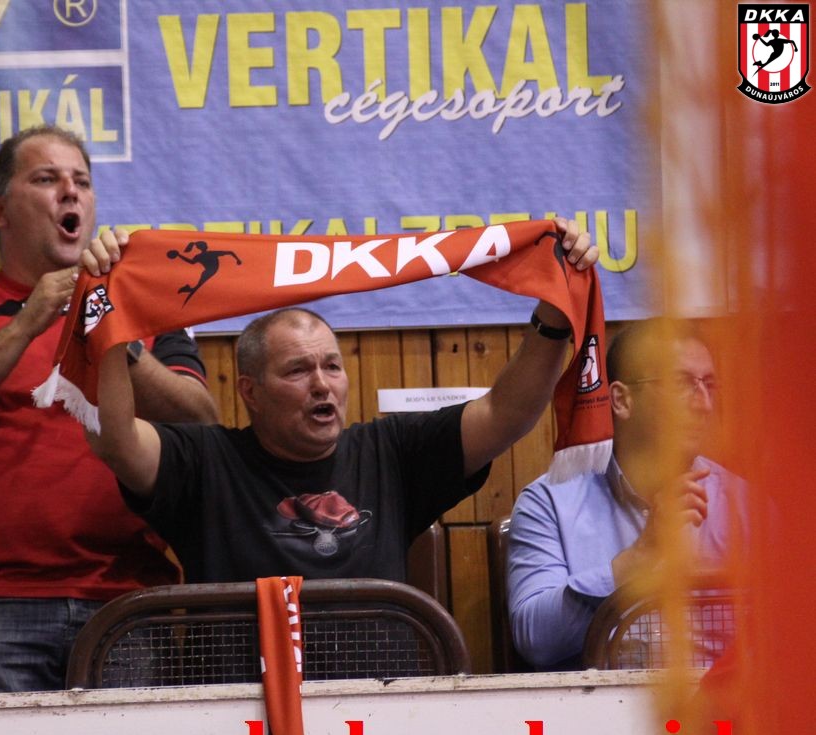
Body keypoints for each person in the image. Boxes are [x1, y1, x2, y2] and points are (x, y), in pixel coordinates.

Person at [84, 219, 598, 584]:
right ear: (250, 392)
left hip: (376, 701)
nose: (321, 384)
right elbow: (115, 439)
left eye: (331, 366)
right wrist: (105, 321)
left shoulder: (392, 453)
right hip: (236, 701)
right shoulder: (204, 463)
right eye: (297, 370)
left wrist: (554, 313)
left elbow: (506, 413)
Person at [0, 125, 219, 693]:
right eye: (46, 179)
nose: (71, 192)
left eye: (82, 182)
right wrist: (26, 324)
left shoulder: (145, 307)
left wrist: (115, 329)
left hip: (129, 600)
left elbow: (202, 426)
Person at [507, 319, 745, 670]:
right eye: (682, 383)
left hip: (721, 699)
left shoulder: (746, 505)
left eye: (709, 385)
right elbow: (535, 641)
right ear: (621, 400)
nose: (704, 404)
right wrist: (640, 556)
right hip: (600, 702)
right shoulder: (549, 504)